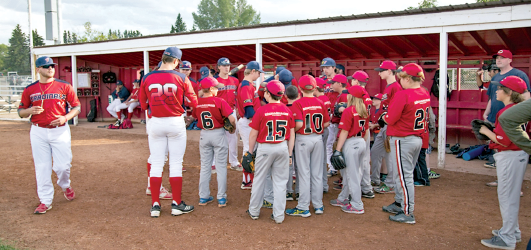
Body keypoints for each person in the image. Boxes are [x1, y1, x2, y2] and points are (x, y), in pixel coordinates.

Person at [139, 46, 198, 218]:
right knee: (176, 163)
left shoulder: (147, 77)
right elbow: (193, 102)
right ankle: (176, 204)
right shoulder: (181, 77)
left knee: (157, 163)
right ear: (175, 61)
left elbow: (143, 105)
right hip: (175, 122)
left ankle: (155, 205)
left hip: (155, 122)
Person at [18, 56, 81, 214]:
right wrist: (29, 111)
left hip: (60, 130)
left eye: (52, 65)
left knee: (63, 166)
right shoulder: (30, 89)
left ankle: (65, 185)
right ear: (38, 69)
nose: (50, 68)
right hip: (38, 130)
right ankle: (45, 200)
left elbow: (76, 106)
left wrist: (65, 117)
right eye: (46, 66)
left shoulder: (64, 86)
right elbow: (21, 112)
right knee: (42, 167)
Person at [478, 76, 528, 250]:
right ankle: (513, 232)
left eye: (500, 88)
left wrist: (485, 131)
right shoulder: (519, 109)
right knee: (510, 196)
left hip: (510, 155)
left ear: (510, 92)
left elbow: (503, 140)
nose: (496, 91)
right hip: (517, 154)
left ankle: (507, 238)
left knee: (507, 198)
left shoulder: (507, 111)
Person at [381, 63, 430, 224]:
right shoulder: (424, 92)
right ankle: (399, 203)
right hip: (416, 138)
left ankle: (408, 212)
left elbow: (391, 118)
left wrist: (383, 117)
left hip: (403, 139)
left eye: (402, 78)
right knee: (400, 174)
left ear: (408, 78)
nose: (400, 80)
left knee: (404, 176)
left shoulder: (404, 95)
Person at [246, 80, 295, 224]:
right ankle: (279, 215)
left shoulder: (262, 110)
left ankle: (254, 211)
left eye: (265, 92)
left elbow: (253, 134)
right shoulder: (287, 110)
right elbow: (292, 134)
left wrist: (249, 152)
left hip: (266, 147)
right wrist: (290, 153)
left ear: (268, 94)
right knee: (280, 182)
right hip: (282, 147)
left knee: (259, 179)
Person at [286, 75, 330, 217]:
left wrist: (294, 129)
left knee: (304, 173)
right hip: (317, 138)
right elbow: (326, 123)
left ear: (300, 88)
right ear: (315, 87)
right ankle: (318, 205)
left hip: (303, 138)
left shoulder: (298, 103)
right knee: (317, 174)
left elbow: (298, 124)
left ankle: (303, 207)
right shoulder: (320, 102)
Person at [194, 77, 235, 207]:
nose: (218, 89)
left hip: (204, 134)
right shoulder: (219, 101)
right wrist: (232, 128)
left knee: (205, 166)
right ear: (211, 89)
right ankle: (221, 198)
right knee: (221, 166)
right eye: (216, 87)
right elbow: (232, 119)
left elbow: (195, 116)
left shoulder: (198, 102)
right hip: (218, 133)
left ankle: (203, 197)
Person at [329, 85, 368, 214]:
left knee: (352, 175)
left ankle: (357, 204)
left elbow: (344, 132)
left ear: (352, 96)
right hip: (361, 141)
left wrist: (338, 149)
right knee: (349, 174)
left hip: (351, 143)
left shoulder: (349, 110)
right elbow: (366, 131)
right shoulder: (363, 109)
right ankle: (344, 198)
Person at [372, 60, 402, 194]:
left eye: (381, 71)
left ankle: (390, 183)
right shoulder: (389, 86)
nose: (379, 74)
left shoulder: (396, 86)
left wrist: (389, 120)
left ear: (389, 71)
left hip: (391, 125)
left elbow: (397, 107)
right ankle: (375, 179)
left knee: (390, 155)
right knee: (375, 152)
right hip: (384, 124)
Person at [236, 61, 263, 190]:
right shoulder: (246, 86)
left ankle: (248, 180)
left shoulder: (248, 85)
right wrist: (257, 121)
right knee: (249, 150)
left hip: (249, 121)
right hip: (248, 121)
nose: (259, 75)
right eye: (258, 72)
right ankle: (247, 181)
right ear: (252, 71)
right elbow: (249, 110)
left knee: (251, 149)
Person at [349, 71, 374, 199]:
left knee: (360, 162)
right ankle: (366, 187)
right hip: (365, 129)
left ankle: (360, 189)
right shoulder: (367, 95)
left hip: (359, 131)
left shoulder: (360, 96)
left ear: (357, 82)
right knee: (364, 160)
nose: (351, 82)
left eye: (353, 80)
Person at [215, 57, 242, 171]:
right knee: (217, 138)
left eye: (228, 65)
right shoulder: (214, 81)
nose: (227, 67)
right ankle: (215, 163)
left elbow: (238, 96)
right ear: (219, 67)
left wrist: (238, 109)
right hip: (218, 112)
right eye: (224, 65)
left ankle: (234, 162)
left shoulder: (235, 80)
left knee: (233, 138)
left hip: (231, 111)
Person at [328, 74, 349, 187]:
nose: (332, 85)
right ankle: (343, 178)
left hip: (342, 128)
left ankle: (345, 180)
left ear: (340, 84)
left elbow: (346, 116)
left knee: (342, 153)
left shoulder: (345, 96)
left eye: (333, 83)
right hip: (339, 127)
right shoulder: (341, 95)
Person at [320, 58, 339, 177]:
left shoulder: (340, 80)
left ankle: (336, 166)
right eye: (324, 68)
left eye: (327, 67)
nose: (325, 70)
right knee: (329, 143)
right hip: (327, 116)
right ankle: (332, 167)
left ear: (334, 68)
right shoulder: (322, 80)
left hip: (338, 116)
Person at [314, 78, 332, 193]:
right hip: (325, 129)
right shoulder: (326, 98)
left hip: (320, 130)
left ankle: (320, 186)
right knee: (323, 157)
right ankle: (324, 185)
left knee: (318, 160)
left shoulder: (319, 100)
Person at [284, 86, 300, 201]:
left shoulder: (284, 108)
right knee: (300, 166)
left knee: (288, 165)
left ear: (285, 96)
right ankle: (299, 191)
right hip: (299, 137)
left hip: (287, 139)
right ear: (298, 95)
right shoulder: (300, 107)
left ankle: (289, 191)